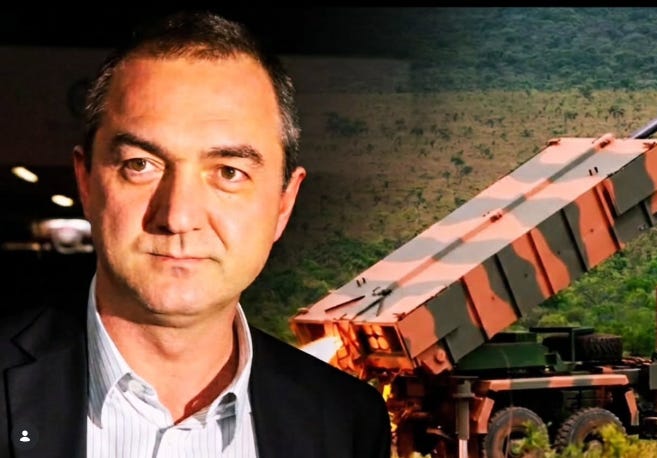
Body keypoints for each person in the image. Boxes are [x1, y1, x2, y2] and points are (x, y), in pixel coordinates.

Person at [0, 10, 391, 458]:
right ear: (86, 182)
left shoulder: (347, 422)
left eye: (229, 172)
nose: (179, 216)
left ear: (284, 203)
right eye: (140, 165)